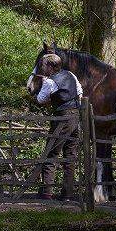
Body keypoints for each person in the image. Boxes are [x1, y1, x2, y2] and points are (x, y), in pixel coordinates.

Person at [34, 53, 82, 201]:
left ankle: (47, 192)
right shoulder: (71, 75)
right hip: (76, 117)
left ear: (50, 66)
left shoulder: (50, 82)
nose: (42, 68)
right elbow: (80, 93)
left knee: (51, 153)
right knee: (70, 156)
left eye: (43, 65)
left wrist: (42, 84)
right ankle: (67, 194)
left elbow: (40, 100)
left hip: (62, 118)